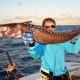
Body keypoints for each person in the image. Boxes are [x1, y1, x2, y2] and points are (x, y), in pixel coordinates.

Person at [8, 18, 80, 80]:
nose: (50, 28)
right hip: (47, 76)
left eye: (52, 26)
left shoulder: (62, 41)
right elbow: (35, 55)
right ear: (43, 28)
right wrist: (31, 44)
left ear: (55, 27)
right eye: (47, 27)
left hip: (63, 75)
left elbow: (74, 49)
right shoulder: (42, 43)